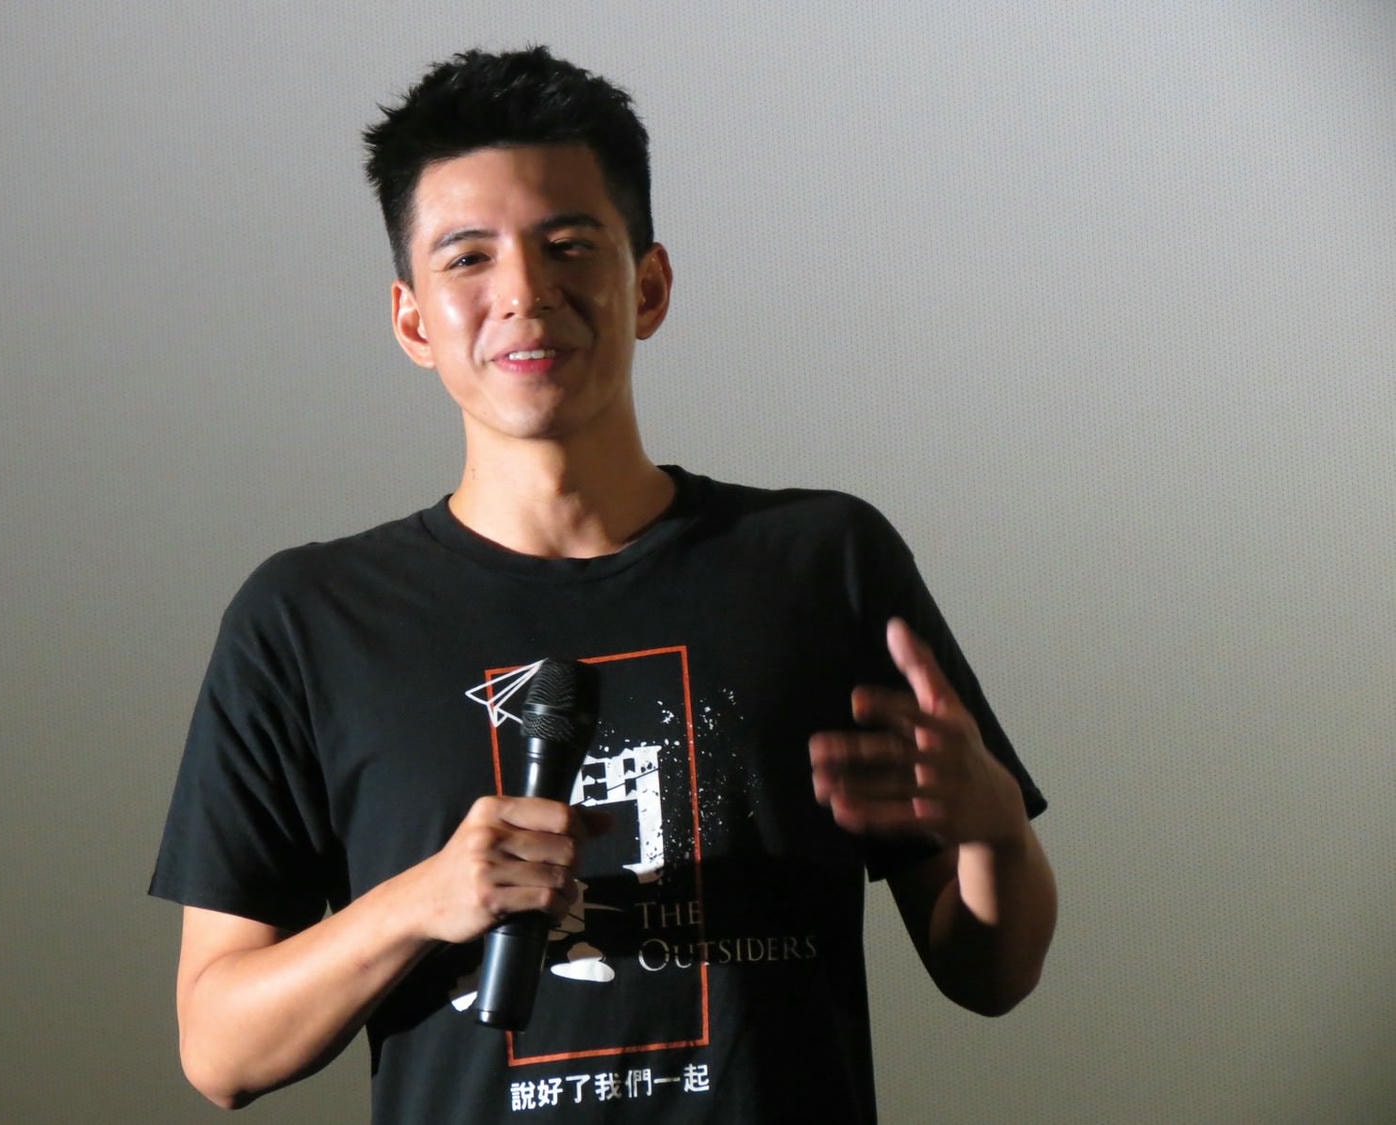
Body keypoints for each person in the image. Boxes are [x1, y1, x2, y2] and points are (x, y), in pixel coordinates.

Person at [150, 46, 1056, 1123]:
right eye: (469, 258)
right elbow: (220, 1050)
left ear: (650, 287)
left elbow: (990, 973)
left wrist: (996, 832)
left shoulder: (821, 561)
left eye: (568, 246)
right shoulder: (309, 621)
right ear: (412, 319)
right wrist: (421, 902)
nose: (523, 294)